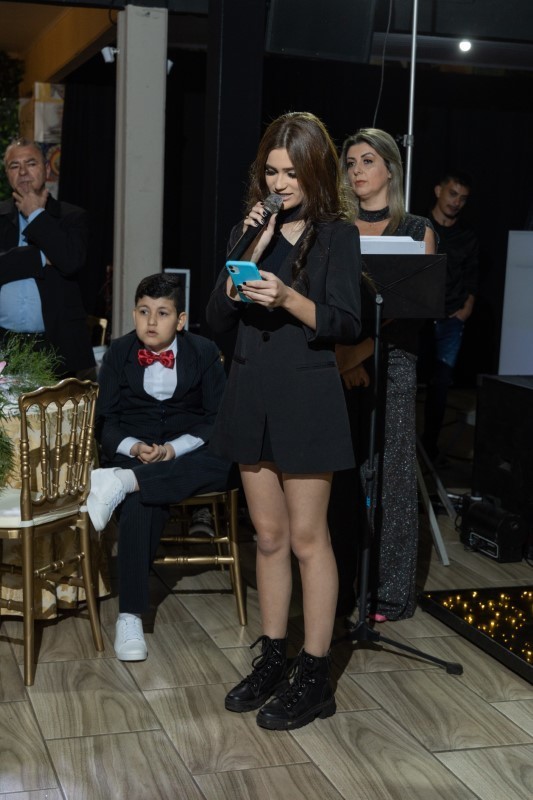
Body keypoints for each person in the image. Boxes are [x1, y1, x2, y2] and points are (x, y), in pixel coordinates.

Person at [206, 111, 362, 731]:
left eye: (291, 173)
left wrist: (289, 297)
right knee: (267, 538)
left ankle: (314, 674)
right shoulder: (251, 229)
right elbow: (216, 318)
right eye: (271, 172)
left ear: (315, 172)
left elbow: (347, 322)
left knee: (306, 539)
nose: (279, 183)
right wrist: (250, 247)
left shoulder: (337, 236)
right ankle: (273, 658)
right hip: (250, 393)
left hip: (306, 398)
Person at [86, 273, 231, 661]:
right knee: (142, 501)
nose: (151, 321)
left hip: (186, 453)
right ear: (134, 314)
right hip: (132, 451)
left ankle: (124, 482)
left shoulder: (203, 352)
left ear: (180, 320)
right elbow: (105, 422)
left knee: (230, 465)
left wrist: (172, 450)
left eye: (162, 313)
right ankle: (130, 616)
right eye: (144, 311)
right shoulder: (119, 352)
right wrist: (134, 447)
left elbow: (216, 420)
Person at [331, 128, 436, 623]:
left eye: (367, 161)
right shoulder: (336, 228)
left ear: (390, 169)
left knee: (390, 476)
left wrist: (358, 355)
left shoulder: (415, 229)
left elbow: (406, 307)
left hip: (392, 362)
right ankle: (340, 589)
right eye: (351, 162)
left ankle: (389, 594)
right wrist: (345, 359)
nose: (357, 171)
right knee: (343, 477)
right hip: (340, 362)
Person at [0, 138, 95, 377]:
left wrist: (36, 215)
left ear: (46, 168)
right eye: (14, 166)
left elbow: (70, 262)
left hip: (57, 345)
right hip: (3, 344)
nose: (23, 172)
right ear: (7, 174)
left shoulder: (71, 217)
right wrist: (42, 257)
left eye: (31, 163)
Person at [420, 170, 479, 462]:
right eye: (453, 194)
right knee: (407, 380)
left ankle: (430, 449)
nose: (456, 202)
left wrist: (466, 309)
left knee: (441, 385)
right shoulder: (418, 226)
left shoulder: (467, 237)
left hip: (450, 319)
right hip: (418, 318)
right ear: (438, 191)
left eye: (463, 198)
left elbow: (473, 275)